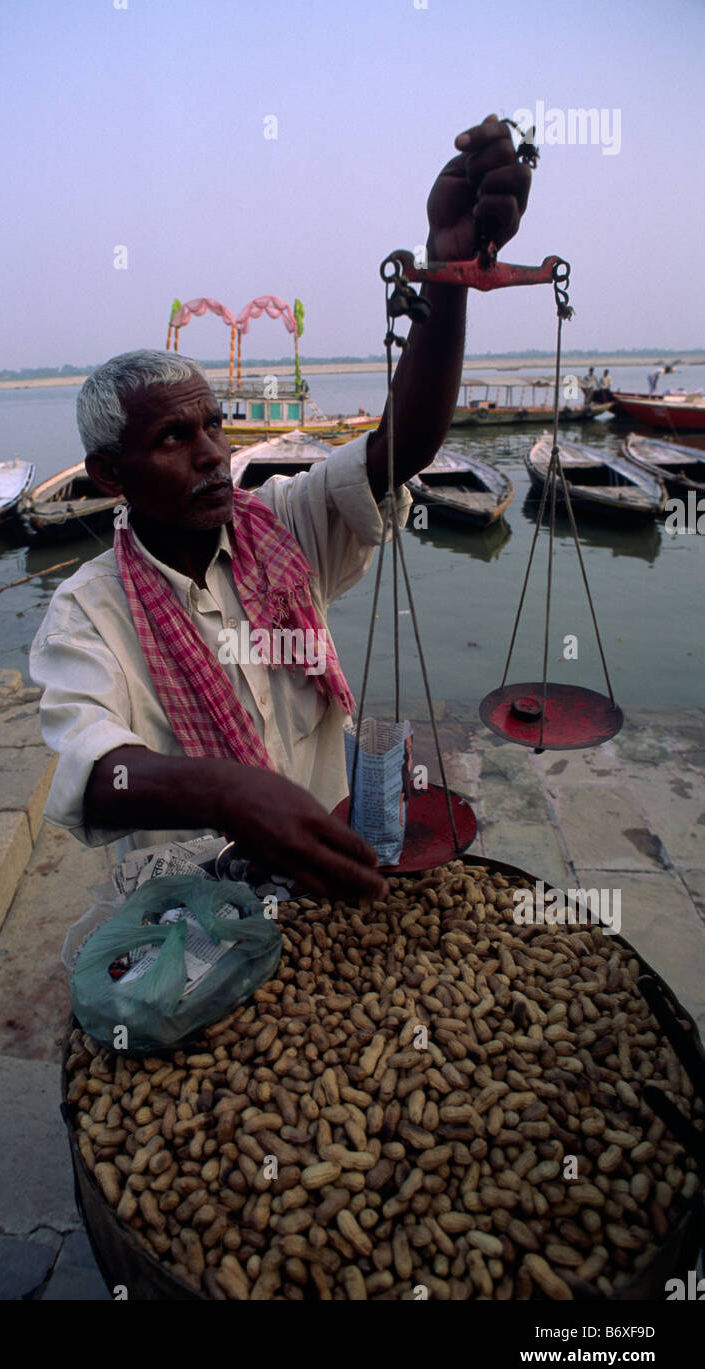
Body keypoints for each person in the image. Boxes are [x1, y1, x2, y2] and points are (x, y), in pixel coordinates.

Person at [29, 115, 532, 902]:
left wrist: (447, 264)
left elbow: (405, 445)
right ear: (109, 475)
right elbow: (95, 775)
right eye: (171, 436)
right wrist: (230, 793)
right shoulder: (87, 613)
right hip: (206, 911)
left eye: (213, 426)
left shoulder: (282, 529)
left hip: (331, 879)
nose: (210, 453)